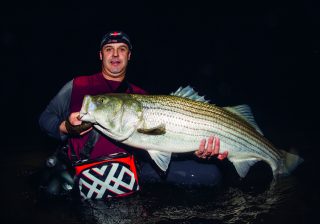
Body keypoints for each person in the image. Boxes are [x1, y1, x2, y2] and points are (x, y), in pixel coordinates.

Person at [39, 31, 228, 199]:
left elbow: (164, 142)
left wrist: (195, 146)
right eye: (108, 49)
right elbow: (45, 119)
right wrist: (66, 127)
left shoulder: (141, 95)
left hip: (130, 171)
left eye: (121, 49)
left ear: (129, 56)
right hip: (84, 170)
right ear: (100, 55)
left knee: (210, 174)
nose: (115, 54)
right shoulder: (78, 86)